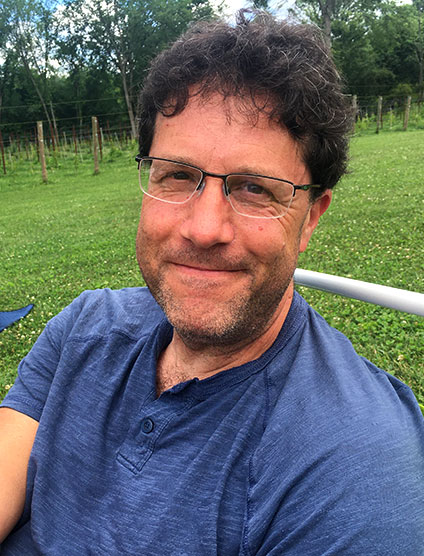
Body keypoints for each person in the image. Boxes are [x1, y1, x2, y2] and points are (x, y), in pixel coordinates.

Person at [1, 11, 423, 555]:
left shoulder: (352, 470)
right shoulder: (83, 327)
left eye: (254, 188)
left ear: (310, 219)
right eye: (177, 175)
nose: (203, 229)